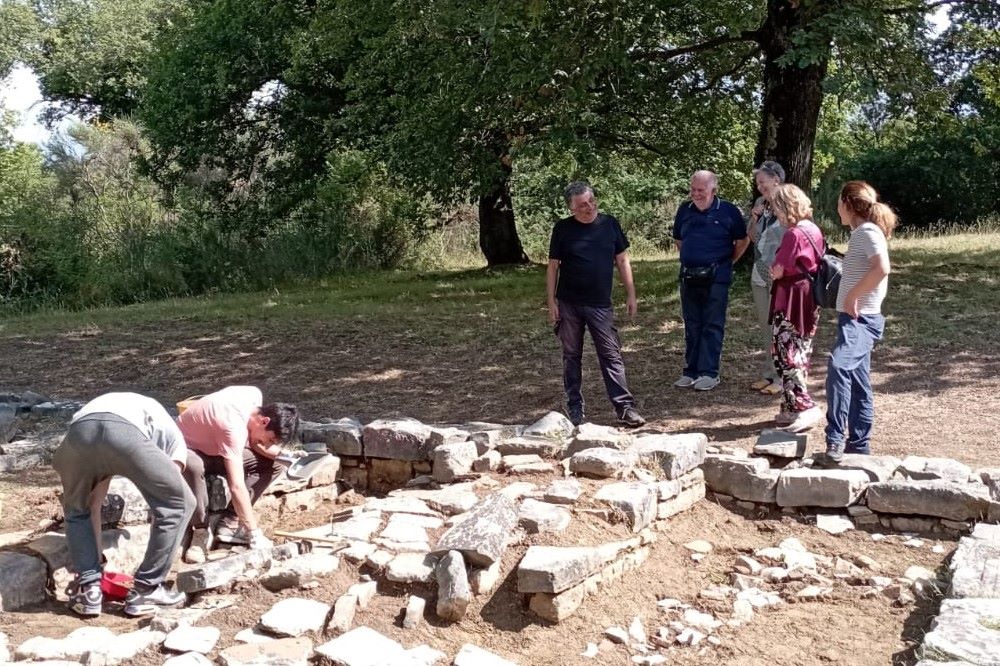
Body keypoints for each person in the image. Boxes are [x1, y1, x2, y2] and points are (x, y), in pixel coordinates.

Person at [52, 392, 194, 618]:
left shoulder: (144, 408)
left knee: (78, 509)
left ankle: (88, 592)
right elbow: (171, 488)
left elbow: (93, 505)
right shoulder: (175, 440)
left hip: (80, 433)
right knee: (180, 504)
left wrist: (94, 570)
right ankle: (147, 589)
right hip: (124, 431)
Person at [547, 181, 645, 428]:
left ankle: (624, 407)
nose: (589, 207)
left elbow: (622, 260)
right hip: (568, 302)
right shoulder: (562, 229)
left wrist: (631, 293)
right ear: (572, 208)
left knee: (611, 355)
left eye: (592, 201)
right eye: (582, 205)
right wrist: (552, 301)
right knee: (571, 355)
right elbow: (552, 267)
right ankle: (574, 405)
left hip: (600, 304)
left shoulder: (609, 224)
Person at [823, 181, 897, 462]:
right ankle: (859, 445)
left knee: (839, 366)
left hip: (860, 319)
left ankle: (835, 441)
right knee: (858, 380)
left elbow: (882, 268)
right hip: (857, 318)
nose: (836, 208)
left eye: (839, 202)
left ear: (848, 204)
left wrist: (853, 295)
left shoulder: (866, 232)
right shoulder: (863, 233)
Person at [177, 386, 299, 550]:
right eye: (270, 439)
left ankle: (230, 522)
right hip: (189, 446)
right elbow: (236, 486)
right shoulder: (232, 427)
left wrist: (284, 456)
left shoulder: (254, 396)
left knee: (276, 464)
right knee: (193, 466)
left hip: (218, 447)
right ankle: (200, 532)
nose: (267, 445)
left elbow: (256, 442)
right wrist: (254, 533)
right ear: (264, 421)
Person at [672, 170, 750, 390]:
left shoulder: (728, 211)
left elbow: (742, 241)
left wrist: (726, 262)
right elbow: (679, 239)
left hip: (717, 277)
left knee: (712, 324)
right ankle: (691, 370)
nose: (696, 194)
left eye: (701, 190)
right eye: (693, 189)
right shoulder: (684, 210)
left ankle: (709, 372)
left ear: (713, 190)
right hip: (689, 276)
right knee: (692, 323)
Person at [767, 184, 825, 433]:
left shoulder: (793, 234)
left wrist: (774, 271)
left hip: (790, 297)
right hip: (808, 296)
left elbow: (778, 269)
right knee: (801, 349)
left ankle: (804, 406)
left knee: (786, 352)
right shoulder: (813, 229)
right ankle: (791, 405)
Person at [747, 161, 787, 395]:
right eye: (757, 182)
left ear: (776, 180)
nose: (759, 186)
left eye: (763, 181)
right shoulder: (761, 204)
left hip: (780, 273)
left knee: (780, 326)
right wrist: (754, 217)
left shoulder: (787, 203)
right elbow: (752, 237)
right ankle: (769, 373)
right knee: (766, 324)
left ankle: (783, 377)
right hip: (759, 271)